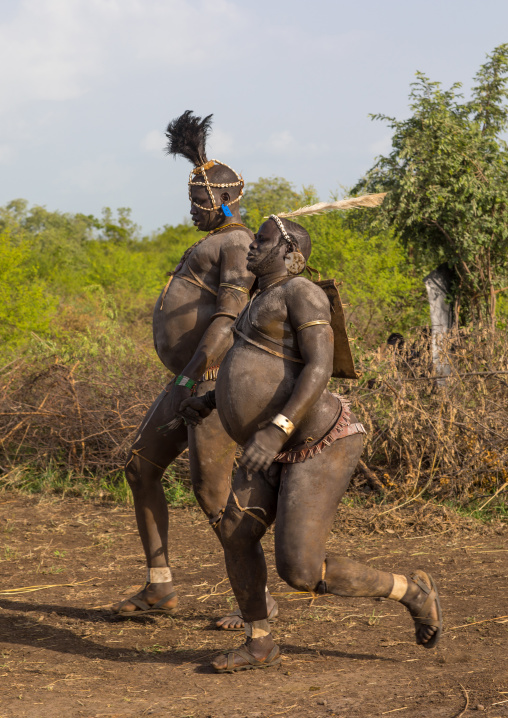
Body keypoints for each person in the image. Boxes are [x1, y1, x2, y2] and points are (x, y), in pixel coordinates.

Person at [180, 215, 443, 673]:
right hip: (271, 444)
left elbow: (318, 369)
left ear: (291, 255)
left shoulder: (301, 292)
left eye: (261, 242)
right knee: (235, 534)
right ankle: (259, 642)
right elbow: (260, 372)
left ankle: (411, 590)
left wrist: (276, 427)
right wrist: (210, 400)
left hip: (319, 441)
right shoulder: (258, 300)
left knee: (300, 571)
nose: (250, 248)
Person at [112, 111, 278, 629]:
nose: (191, 212)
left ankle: (261, 603)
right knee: (141, 467)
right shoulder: (218, 240)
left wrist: (192, 378)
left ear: (221, 203)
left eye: (197, 204)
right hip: (188, 377)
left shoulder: (234, 243)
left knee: (212, 493)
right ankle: (159, 586)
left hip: (210, 383)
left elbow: (227, 318)